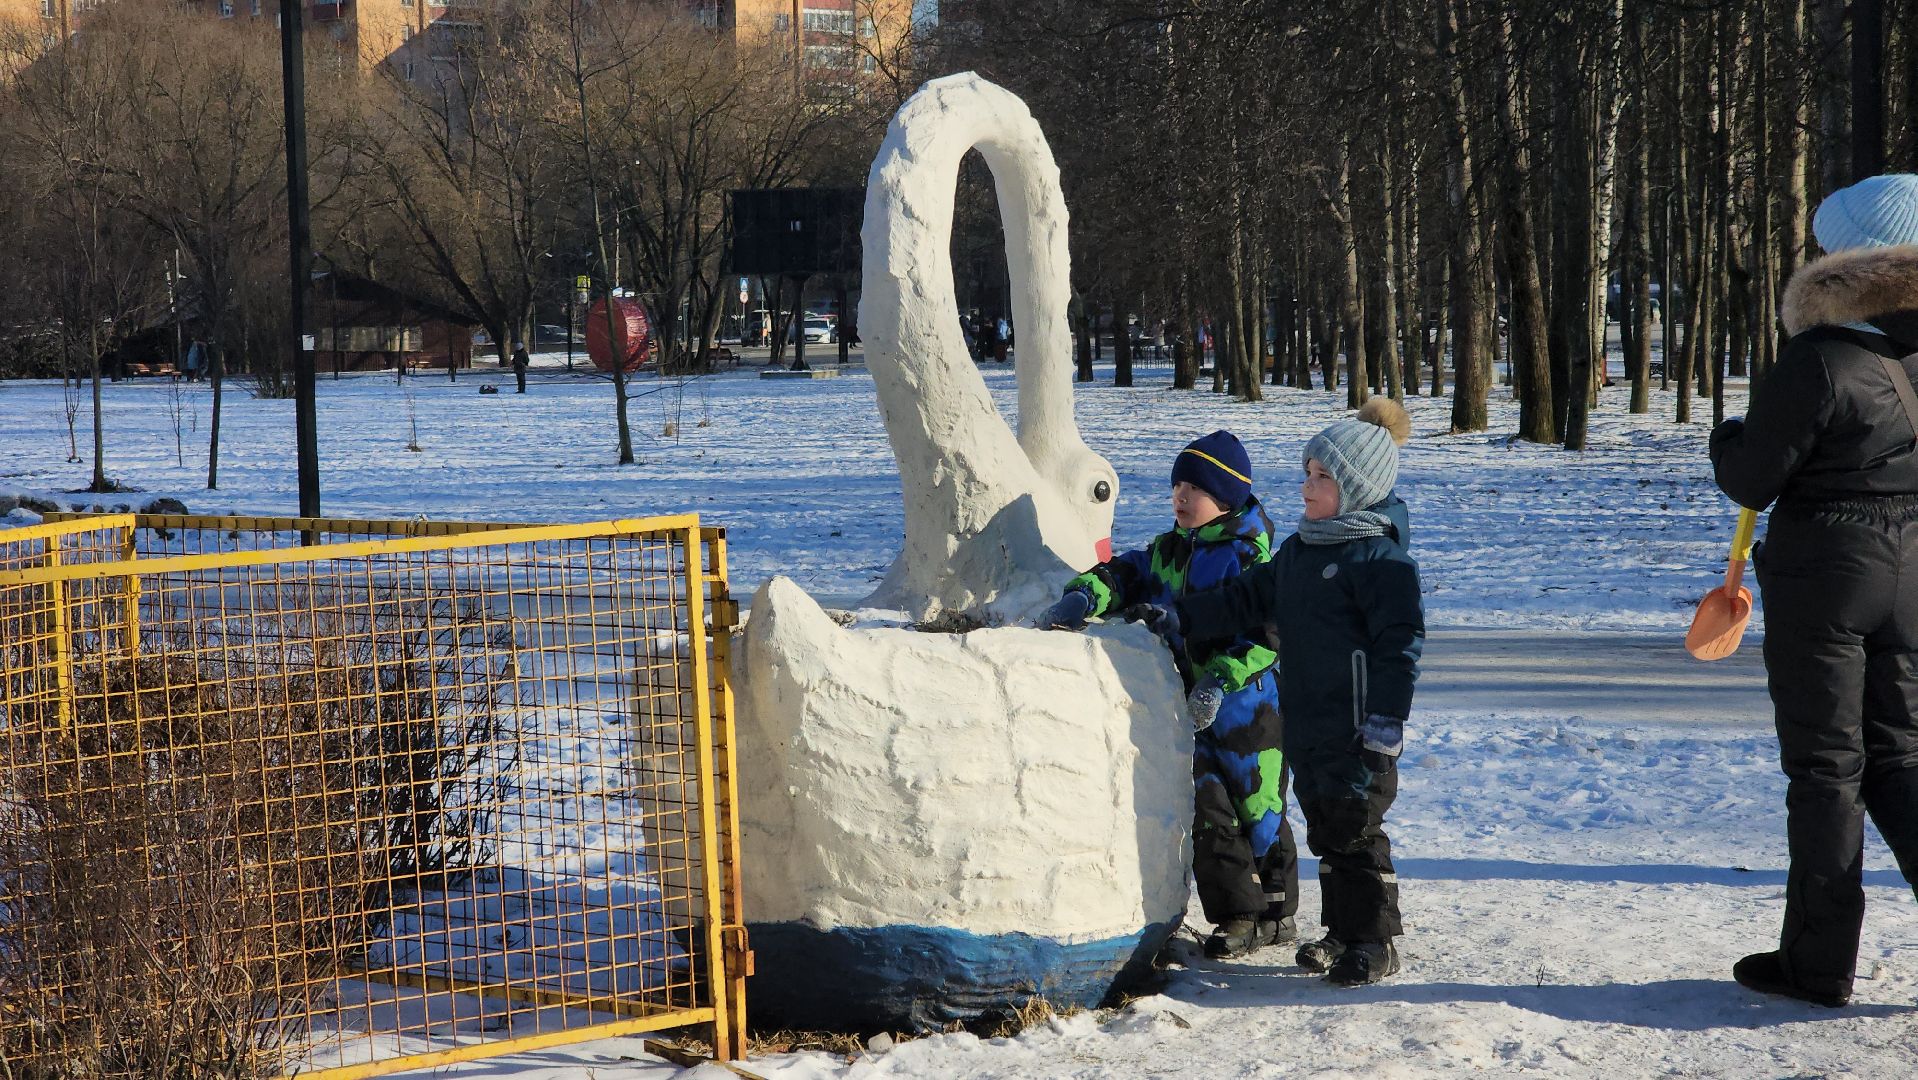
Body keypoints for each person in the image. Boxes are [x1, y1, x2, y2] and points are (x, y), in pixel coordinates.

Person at [1709, 173, 1918, 1009]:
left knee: (1826, 769)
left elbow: (1755, 477)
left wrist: (1727, 439)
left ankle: (1817, 963)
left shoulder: (1822, 356)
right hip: (1909, 569)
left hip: (1825, 574)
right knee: (1901, 755)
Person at [1132, 398, 1422, 986]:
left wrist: (1386, 719)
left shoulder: (1380, 562)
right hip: (1308, 724)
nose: (1306, 487)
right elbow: (1242, 600)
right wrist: (1180, 618)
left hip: (1361, 728)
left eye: (1322, 478)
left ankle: (1375, 941)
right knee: (1325, 827)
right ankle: (1341, 932)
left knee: (1356, 831)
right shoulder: (1298, 551)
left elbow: (1401, 645)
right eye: (1307, 473)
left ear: (1358, 488)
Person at [1036, 432, 1300, 959]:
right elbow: (1126, 574)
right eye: (1176, 485)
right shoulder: (1169, 552)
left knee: (1261, 810)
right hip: (1194, 714)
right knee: (1207, 808)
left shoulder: (1250, 559)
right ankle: (1237, 915)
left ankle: (1277, 910)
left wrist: (1219, 678)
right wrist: (1082, 596)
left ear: (1224, 498)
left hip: (1251, 712)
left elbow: (1267, 635)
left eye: (1193, 488)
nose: (1179, 496)